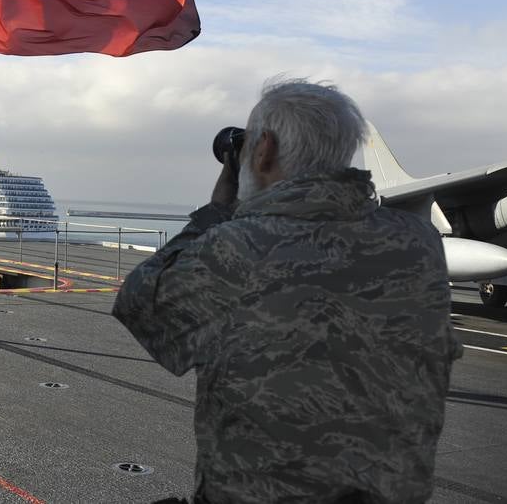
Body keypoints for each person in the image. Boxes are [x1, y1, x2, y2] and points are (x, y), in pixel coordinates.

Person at [113, 78, 460, 504]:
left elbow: (137, 302)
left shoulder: (235, 247)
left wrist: (218, 210)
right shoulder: (419, 243)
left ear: (263, 151)